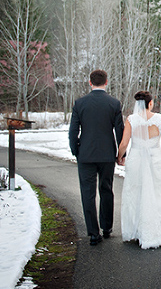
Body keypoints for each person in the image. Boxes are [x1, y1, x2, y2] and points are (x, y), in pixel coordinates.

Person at [68, 69, 124, 246]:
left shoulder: (80, 103)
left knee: (87, 193)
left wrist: (76, 150)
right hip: (107, 154)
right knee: (106, 189)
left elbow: (73, 131)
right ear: (106, 82)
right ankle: (106, 228)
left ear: (90, 83)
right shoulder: (114, 104)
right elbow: (120, 131)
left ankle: (93, 233)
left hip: (86, 154)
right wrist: (120, 154)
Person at [117, 90, 161, 249]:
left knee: (136, 192)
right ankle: (155, 229)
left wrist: (119, 157)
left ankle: (138, 230)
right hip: (155, 158)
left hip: (136, 159)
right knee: (155, 193)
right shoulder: (159, 119)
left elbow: (123, 144)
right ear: (150, 103)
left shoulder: (131, 120)